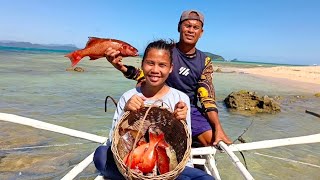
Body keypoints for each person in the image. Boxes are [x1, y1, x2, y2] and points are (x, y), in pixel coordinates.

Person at [105, 10, 231, 146]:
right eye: (187, 26)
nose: (190, 30)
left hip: (186, 108)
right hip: (157, 103)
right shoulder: (166, 52)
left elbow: (207, 97)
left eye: (195, 27)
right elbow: (146, 74)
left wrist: (218, 127)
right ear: (179, 27)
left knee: (212, 142)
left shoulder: (204, 61)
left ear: (201, 32)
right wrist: (121, 67)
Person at [94, 39, 214, 179]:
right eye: (150, 63)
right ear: (142, 64)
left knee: (206, 178)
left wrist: (180, 120)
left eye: (162, 65)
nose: (155, 70)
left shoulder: (180, 99)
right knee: (100, 154)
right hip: (130, 165)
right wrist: (125, 111)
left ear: (170, 68)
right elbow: (113, 139)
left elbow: (183, 144)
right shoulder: (128, 96)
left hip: (168, 172)